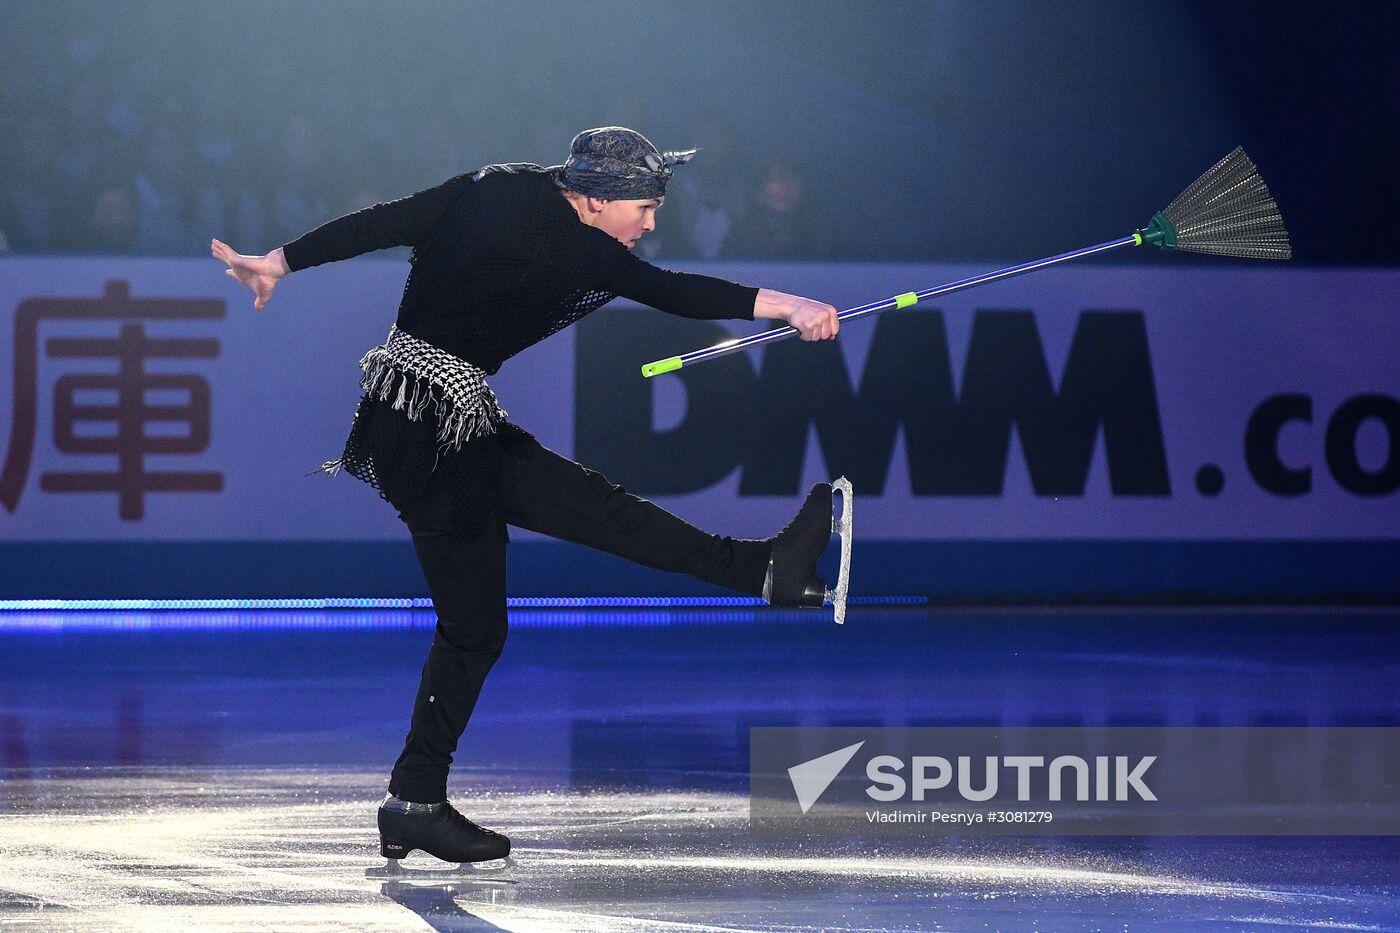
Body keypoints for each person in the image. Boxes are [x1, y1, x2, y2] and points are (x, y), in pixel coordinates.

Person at [212, 126, 847, 866]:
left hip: (430, 416)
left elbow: (382, 222)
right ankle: (414, 801)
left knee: (594, 510)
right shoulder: (580, 247)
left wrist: (280, 261)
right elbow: (672, 290)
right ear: (597, 199)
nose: (648, 223)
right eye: (642, 207)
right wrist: (791, 304)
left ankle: (763, 570)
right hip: (433, 435)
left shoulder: (499, 182)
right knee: (475, 627)